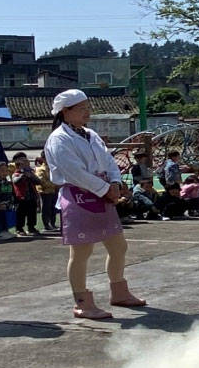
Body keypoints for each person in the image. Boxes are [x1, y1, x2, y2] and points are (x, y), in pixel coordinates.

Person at [44, 89, 144, 320]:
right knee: (81, 252)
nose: (86, 112)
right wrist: (106, 188)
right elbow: (74, 172)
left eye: (87, 107)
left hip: (103, 195)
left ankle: (119, 291)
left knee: (118, 246)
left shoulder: (90, 134)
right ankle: (82, 302)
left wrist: (116, 182)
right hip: (78, 196)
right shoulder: (59, 138)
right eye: (81, 108)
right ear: (65, 112)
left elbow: (108, 160)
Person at [12, 153, 42, 236]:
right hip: (21, 198)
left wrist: (30, 175)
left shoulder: (30, 173)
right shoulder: (16, 174)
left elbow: (38, 182)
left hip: (31, 197)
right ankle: (19, 228)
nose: (26, 165)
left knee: (32, 213)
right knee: (20, 214)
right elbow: (16, 181)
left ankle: (31, 227)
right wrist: (23, 174)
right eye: (23, 164)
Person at [0, 161, 17, 241]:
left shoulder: (8, 182)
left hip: (7, 203)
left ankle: (5, 231)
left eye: (6, 170)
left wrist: (13, 200)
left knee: (6, 217)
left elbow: (12, 192)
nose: (5, 173)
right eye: (2, 170)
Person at [34, 154, 60, 232]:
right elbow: (41, 181)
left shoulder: (52, 167)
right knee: (46, 209)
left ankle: (52, 223)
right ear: (43, 159)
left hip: (53, 190)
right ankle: (46, 225)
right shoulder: (41, 169)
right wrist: (53, 184)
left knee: (53, 208)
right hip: (45, 192)